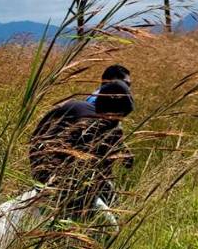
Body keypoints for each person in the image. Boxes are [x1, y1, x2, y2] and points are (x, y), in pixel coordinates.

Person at [30, 79, 135, 219]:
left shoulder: (78, 107)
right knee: (109, 225)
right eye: (119, 117)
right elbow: (103, 171)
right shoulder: (95, 128)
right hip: (56, 180)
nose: (118, 122)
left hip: (38, 167)